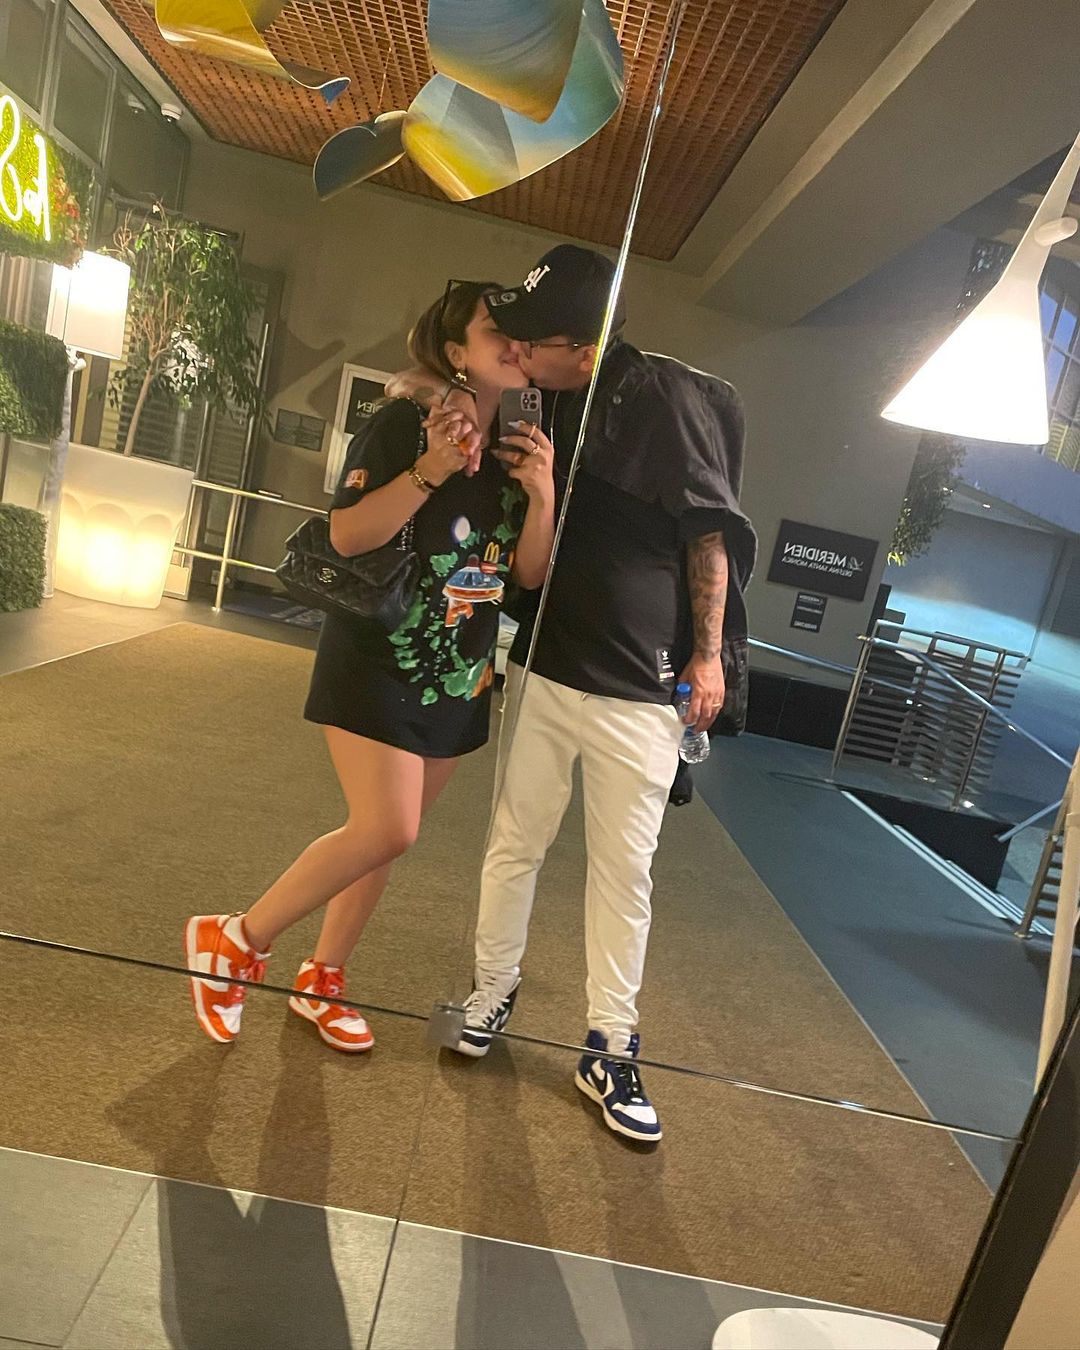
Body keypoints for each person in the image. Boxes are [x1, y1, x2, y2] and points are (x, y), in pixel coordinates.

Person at [399, 246, 756, 1144]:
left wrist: (707, 656)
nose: (518, 352)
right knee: (512, 842)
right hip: (546, 665)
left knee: (622, 873)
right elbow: (453, 378)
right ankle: (491, 992)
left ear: (584, 349)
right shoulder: (538, 395)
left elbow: (708, 535)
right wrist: (438, 394)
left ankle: (611, 1044)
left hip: (641, 688)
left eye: (534, 341)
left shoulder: (666, 398)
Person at [183, 280, 556, 1052]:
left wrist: (543, 494)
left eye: (523, 334)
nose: (517, 345)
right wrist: (431, 469)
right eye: (497, 332)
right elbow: (348, 537)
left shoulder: (523, 446)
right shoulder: (405, 424)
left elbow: (526, 574)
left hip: (458, 675)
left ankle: (323, 977)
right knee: (389, 826)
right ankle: (235, 939)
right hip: (377, 654)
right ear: (456, 352)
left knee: (382, 837)